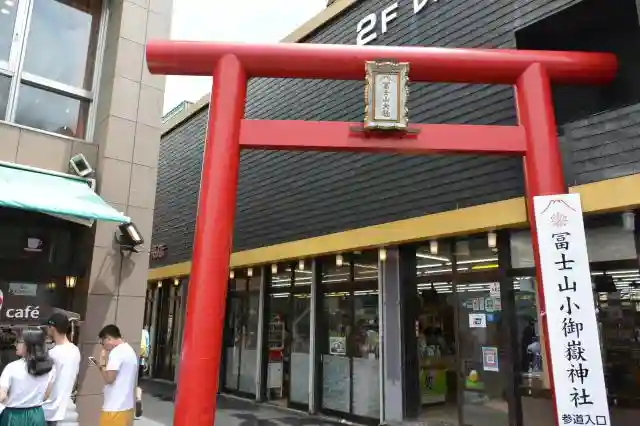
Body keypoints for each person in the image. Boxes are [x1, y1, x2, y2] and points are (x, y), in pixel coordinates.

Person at [0, 328, 55, 426]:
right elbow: (46, 395)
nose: (16, 345)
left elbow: (1, 395)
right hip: (37, 414)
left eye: (19, 341)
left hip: (14, 416)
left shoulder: (12, 367)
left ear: (28, 345)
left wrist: (9, 400)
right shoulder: (49, 368)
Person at [93, 325, 138, 426]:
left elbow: (109, 379)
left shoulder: (116, 352)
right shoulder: (130, 350)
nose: (103, 346)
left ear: (108, 339)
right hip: (127, 407)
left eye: (102, 342)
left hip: (113, 408)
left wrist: (101, 365)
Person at [42, 314, 81, 426]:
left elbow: (48, 384)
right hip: (65, 408)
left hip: (49, 411)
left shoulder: (53, 353)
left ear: (52, 328)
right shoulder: (75, 350)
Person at [135, 326, 150, 418]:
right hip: (141, 361)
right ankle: (138, 398)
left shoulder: (133, 330)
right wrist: (145, 361)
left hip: (132, 360)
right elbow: (147, 349)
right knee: (138, 383)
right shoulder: (145, 333)